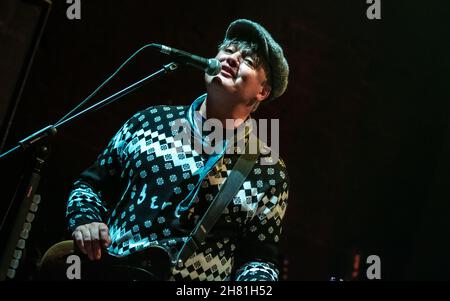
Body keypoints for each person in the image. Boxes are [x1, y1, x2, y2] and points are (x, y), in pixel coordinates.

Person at [63, 19, 290, 281]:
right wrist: (85, 219)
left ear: (263, 91)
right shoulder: (149, 122)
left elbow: (259, 260)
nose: (232, 58)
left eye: (248, 60)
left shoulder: (267, 170)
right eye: (227, 50)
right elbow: (89, 187)